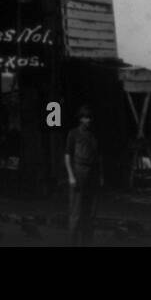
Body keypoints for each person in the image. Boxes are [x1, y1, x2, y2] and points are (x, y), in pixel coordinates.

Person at [65, 105, 101, 246]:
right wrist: (71, 176)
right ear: (80, 119)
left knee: (90, 213)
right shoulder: (73, 134)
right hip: (78, 174)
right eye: (86, 117)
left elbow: (98, 157)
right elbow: (67, 156)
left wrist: (100, 176)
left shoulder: (93, 136)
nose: (88, 120)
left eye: (90, 118)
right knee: (76, 213)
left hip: (92, 176)